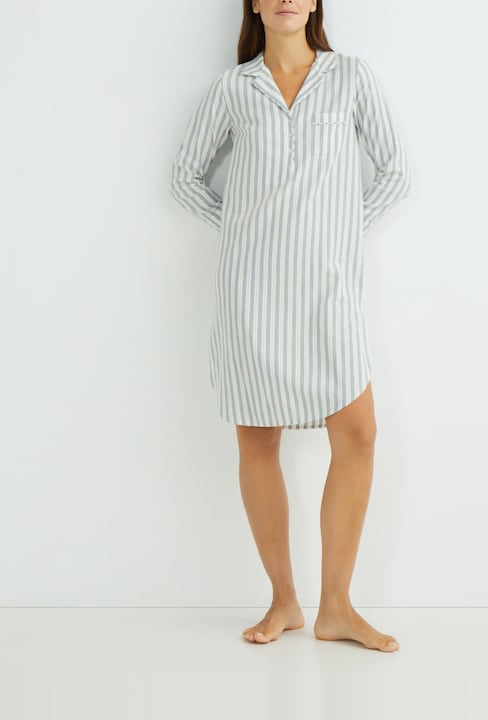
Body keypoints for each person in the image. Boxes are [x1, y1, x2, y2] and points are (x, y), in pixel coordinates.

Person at [170, 0, 411, 652]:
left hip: (328, 290)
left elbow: (395, 172)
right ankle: (283, 600)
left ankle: (337, 607)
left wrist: (336, 234)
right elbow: (185, 177)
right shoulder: (233, 88)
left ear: (314, 3)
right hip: (251, 292)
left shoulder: (350, 77)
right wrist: (247, 233)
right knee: (257, 440)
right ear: (254, 3)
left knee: (358, 431)